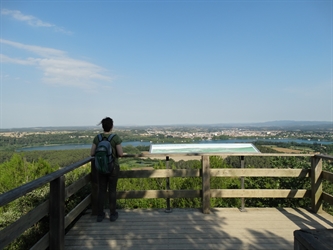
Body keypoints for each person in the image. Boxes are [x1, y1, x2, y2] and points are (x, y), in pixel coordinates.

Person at [90, 117, 123, 222]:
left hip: (101, 168)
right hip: (113, 167)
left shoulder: (98, 138)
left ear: (103, 126)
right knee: (112, 191)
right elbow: (120, 154)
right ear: (112, 126)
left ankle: (100, 214)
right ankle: (113, 214)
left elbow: (92, 153)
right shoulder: (115, 138)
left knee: (101, 191)